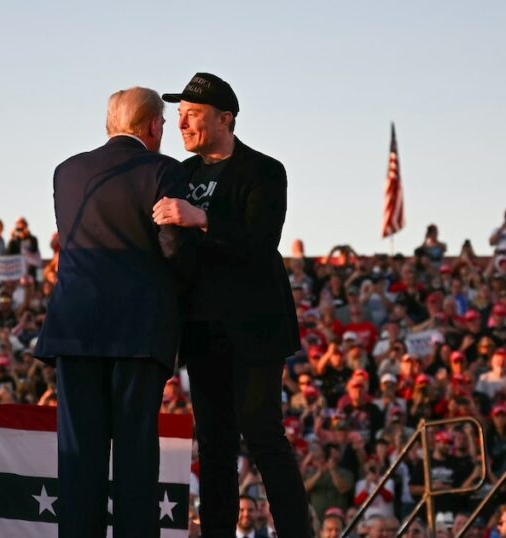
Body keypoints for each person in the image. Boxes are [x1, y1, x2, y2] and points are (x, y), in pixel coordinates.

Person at [153, 72, 309, 538]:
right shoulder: (180, 174)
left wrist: (201, 218)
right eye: (178, 115)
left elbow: (262, 242)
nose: (182, 123)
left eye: (193, 115)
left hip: (253, 328)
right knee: (217, 447)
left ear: (226, 119)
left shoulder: (264, 170)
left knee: (264, 439)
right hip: (201, 329)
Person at [33, 86, 190, 537]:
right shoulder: (164, 171)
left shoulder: (67, 173)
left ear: (109, 125)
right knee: (135, 461)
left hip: (75, 330)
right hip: (138, 335)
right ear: (154, 126)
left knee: (79, 458)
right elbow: (175, 250)